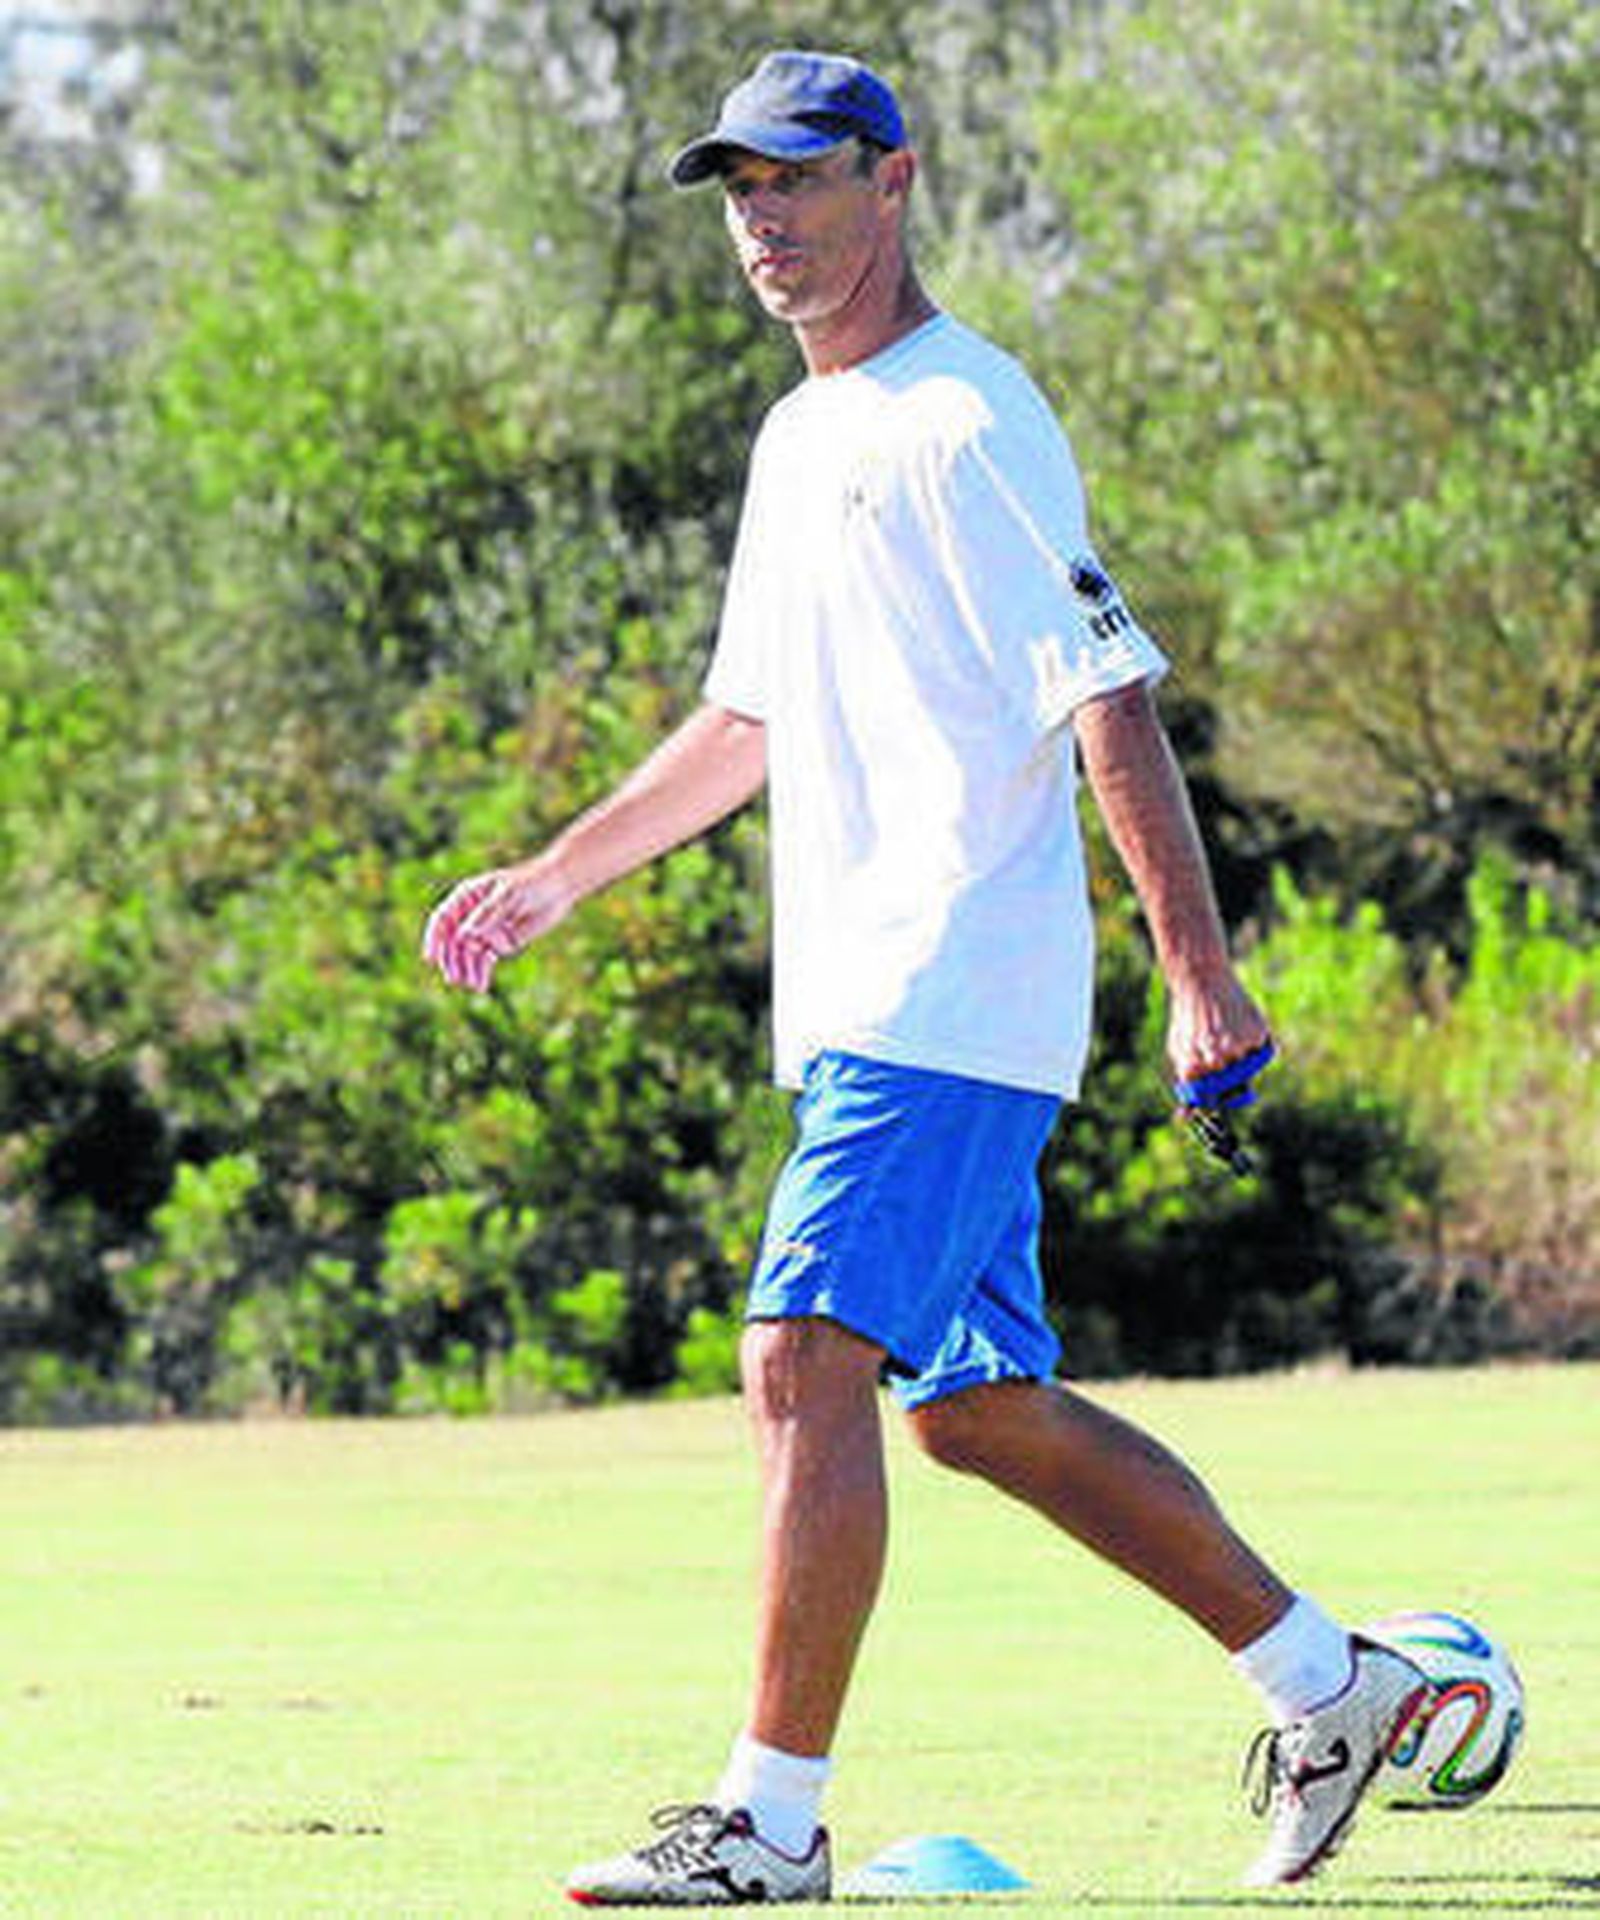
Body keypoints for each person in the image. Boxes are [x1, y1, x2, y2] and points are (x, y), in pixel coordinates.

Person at [423, 49, 1428, 1906]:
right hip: (867, 1010)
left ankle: (770, 1824)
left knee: (801, 1355)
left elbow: (1103, 694)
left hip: (951, 996)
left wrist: (1197, 979)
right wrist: (557, 876)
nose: (765, 224)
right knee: (970, 1409)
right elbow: (747, 722)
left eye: (798, 182)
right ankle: (1332, 1683)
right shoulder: (801, 441)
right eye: (738, 192)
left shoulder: (968, 420)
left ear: (894, 181)